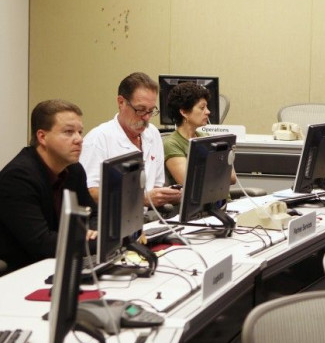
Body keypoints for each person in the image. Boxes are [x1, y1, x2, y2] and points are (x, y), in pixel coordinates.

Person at [0, 100, 97, 273]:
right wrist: (93, 239)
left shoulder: (74, 169)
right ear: (42, 137)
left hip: (64, 263)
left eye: (80, 132)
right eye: (69, 132)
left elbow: (93, 216)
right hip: (25, 271)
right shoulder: (17, 178)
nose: (79, 139)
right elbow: (42, 243)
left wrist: (94, 233)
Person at [80, 72, 181, 208]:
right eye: (140, 110)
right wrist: (141, 199)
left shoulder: (153, 133)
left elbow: (157, 184)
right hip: (113, 219)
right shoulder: (98, 139)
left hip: (149, 217)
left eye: (151, 111)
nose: (146, 117)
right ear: (121, 102)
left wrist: (167, 196)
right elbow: (90, 192)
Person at [163, 81, 236, 186]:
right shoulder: (172, 144)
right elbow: (189, 182)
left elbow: (232, 177)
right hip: (205, 201)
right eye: (202, 108)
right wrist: (217, 170)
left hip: (224, 200)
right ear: (183, 112)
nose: (208, 112)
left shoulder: (205, 138)